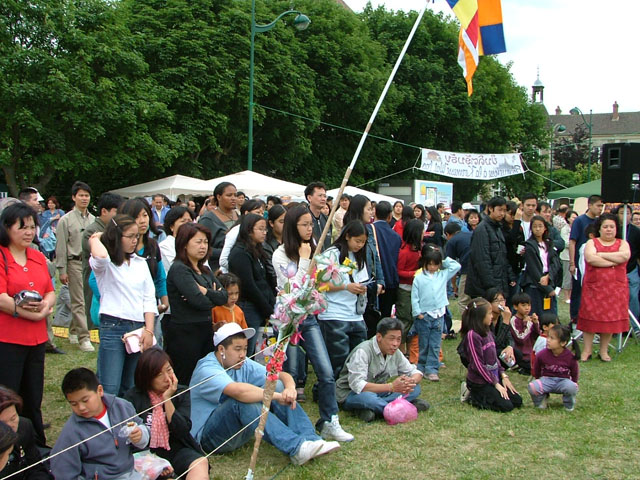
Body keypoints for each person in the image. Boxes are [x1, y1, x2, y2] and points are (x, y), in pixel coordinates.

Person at [190, 323, 340, 466]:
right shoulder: (207, 368)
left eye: (245, 349)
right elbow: (239, 392)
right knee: (240, 402)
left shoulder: (242, 362)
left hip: (238, 431)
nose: (242, 355)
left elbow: (280, 375)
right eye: (237, 349)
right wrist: (278, 397)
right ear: (221, 349)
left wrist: (290, 388)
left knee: (277, 385)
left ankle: (311, 439)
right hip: (210, 439)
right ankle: (297, 448)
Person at [272, 206, 354, 443]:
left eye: (311, 224)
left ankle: (329, 421)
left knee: (326, 372)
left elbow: (318, 282)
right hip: (288, 320)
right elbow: (294, 288)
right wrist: (306, 259)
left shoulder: (313, 246)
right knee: (288, 374)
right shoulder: (280, 254)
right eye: (305, 225)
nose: (310, 229)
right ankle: (288, 423)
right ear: (293, 227)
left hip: (308, 317)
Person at [0, 203, 55, 447]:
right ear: (6, 228)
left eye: (32, 227)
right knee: (9, 396)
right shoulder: (2, 255)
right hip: (8, 338)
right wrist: (29, 314)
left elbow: (50, 291)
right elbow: (1, 298)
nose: (29, 232)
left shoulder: (37, 256)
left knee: (33, 395)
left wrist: (45, 306)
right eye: (22, 227)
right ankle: (8, 446)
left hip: (37, 338)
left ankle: (36, 446)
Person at [89, 214, 158, 396]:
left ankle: (126, 414)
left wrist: (149, 330)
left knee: (131, 385)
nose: (135, 241)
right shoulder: (106, 264)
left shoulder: (140, 263)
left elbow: (149, 298)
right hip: (113, 326)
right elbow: (101, 256)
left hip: (137, 328)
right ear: (117, 236)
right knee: (110, 385)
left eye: (137, 236)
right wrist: (96, 238)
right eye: (130, 236)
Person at [124, 348, 209, 480]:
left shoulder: (181, 392)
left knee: (200, 463)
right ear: (147, 378)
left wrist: (167, 399)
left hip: (175, 449)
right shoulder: (133, 397)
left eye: (169, 370)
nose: (167, 378)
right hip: (146, 454)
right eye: (159, 375)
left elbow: (182, 430)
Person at [51, 368, 150, 479]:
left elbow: (142, 429)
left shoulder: (122, 407)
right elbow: (63, 470)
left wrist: (140, 435)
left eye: (85, 400)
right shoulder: (72, 431)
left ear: (100, 391)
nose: (81, 407)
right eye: (74, 404)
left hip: (130, 473)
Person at [165, 223, 227, 384]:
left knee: (206, 376)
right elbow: (199, 301)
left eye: (205, 242)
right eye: (198, 242)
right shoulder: (179, 269)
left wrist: (205, 291)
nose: (203, 246)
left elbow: (224, 297)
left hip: (205, 330)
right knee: (187, 379)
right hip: (185, 333)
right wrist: (211, 295)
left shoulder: (204, 270)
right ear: (184, 244)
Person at [336, 317, 428, 422]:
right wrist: (391, 387)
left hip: (379, 392)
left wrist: (410, 381)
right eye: (391, 339)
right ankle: (401, 407)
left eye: (398, 339)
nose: (395, 344)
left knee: (415, 388)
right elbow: (357, 385)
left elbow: (414, 372)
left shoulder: (395, 352)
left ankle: (376, 409)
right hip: (352, 393)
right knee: (368, 399)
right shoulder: (363, 351)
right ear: (379, 337)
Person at [317, 221, 370, 379]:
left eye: (363, 242)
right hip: (334, 314)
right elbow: (319, 284)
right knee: (337, 362)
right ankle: (330, 389)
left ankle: (351, 388)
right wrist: (345, 287)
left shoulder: (359, 256)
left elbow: (362, 279)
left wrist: (362, 288)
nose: (360, 245)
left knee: (358, 359)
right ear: (347, 236)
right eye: (357, 241)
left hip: (355, 315)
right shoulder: (331, 254)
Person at [577, 212, 630, 362]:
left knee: (610, 319)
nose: (609, 229)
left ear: (616, 228)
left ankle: (603, 351)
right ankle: (587, 350)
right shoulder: (592, 243)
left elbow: (625, 256)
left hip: (615, 289)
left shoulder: (623, 243)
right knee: (590, 317)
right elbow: (591, 258)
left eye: (612, 227)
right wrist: (614, 261)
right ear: (599, 228)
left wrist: (601, 255)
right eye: (605, 226)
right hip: (594, 288)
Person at [460, 298, 522, 412]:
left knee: (517, 401)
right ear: (480, 317)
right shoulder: (472, 335)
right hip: (480, 382)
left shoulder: (488, 331)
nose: (492, 316)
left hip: (493, 377)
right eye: (489, 314)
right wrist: (496, 384)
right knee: (506, 406)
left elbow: (494, 357)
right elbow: (477, 365)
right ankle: (472, 396)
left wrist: (503, 376)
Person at [228, 214, 276, 358]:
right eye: (260, 229)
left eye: (265, 229)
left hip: (260, 305)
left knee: (259, 350)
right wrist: (267, 309)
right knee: (246, 350)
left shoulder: (257, 251)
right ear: (249, 230)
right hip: (249, 306)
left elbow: (264, 280)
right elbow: (249, 285)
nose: (264, 232)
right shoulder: (240, 253)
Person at [55, 181, 95, 352]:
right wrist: (62, 270)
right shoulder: (66, 220)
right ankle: (84, 338)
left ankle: (73, 329)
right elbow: (61, 246)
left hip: (90, 263)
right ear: (74, 197)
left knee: (87, 299)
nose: (84, 198)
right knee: (78, 300)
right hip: (74, 262)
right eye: (81, 195)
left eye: (87, 195)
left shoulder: (93, 220)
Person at [411, 244, 460, 381]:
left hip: (438, 315)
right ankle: (421, 367)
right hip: (424, 315)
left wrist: (443, 260)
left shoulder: (442, 275)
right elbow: (414, 296)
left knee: (435, 343)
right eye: (430, 264)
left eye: (435, 264)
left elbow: (456, 266)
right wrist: (417, 312)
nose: (432, 267)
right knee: (424, 343)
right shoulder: (419, 278)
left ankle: (432, 369)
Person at [119, 199, 170, 325]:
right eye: (136, 217)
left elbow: (160, 277)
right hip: (122, 312)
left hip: (149, 308)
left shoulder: (152, 245)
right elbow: (94, 280)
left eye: (145, 215)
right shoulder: (118, 247)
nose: (142, 221)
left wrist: (165, 303)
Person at [343, 195, 385, 338]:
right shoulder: (349, 232)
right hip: (356, 288)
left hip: (371, 285)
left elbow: (376, 257)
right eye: (368, 209)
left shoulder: (370, 230)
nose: (371, 212)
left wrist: (380, 281)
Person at [81, 193, 124, 334]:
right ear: (104, 211)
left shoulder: (115, 229)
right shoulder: (91, 231)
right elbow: (100, 255)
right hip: (94, 276)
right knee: (94, 307)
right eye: (116, 212)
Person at [466, 196, 515, 299]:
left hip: (498, 281)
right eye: (499, 210)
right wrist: (491, 286)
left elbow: (502, 256)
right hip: (484, 286)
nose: (502, 213)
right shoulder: (482, 229)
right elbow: (482, 260)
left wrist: (510, 275)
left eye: (504, 211)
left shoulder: (498, 228)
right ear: (490, 209)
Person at [0, 386, 51, 479]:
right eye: (3, 423)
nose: (10, 426)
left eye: (13, 418)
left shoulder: (24, 427)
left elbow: (35, 467)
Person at [528, 324, 579, 411]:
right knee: (533, 386)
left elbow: (574, 372)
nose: (548, 340)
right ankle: (541, 402)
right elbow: (536, 369)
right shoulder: (542, 354)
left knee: (572, 387)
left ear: (563, 343)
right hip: (546, 380)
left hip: (563, 381)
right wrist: (539, 379)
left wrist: (574, 382)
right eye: (548, 337)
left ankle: (569, 404)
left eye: (552, 338)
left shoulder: (570, 357)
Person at [569, 195, 604, 322]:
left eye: (602, 206)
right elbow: (572, 242)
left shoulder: (600, 222)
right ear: (590, 205)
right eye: (598, 205)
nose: (600, 208)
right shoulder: (579, 221)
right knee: (578, 291)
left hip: (595, 262)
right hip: (580, 261)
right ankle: (575, 319)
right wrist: (572, 263)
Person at [521, 215, 562, 317]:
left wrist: (549, 276)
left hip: (548, 278)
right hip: (535, 283)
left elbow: (555, 262)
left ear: (545, 228)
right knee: (535, 314)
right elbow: (533, 269)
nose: (538, 229)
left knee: (549, 314)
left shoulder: (549, 243)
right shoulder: (529, 245)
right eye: (535, 226)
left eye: (540, 226)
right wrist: (547, 288)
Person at [396, 219, 424, 359]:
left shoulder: (418, 250)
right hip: (405, 289)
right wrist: (413, 274)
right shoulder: (404, 252)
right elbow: (398, 271)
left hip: (416, 289)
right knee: (405, 319)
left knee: (413, 319)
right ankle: (401, 351)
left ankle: (410, 350)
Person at [218, 199, 266, 274]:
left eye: (262, 213)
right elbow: (223, 260)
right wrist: (242, 267)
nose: (261, 216)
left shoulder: (258, 232)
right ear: (247, 213)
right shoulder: (235, 231)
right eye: (257, 212)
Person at [198, 182, 238, 270]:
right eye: (229, 195)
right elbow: (201, 245)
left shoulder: (239, 215)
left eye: (235, 195)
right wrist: (226, 252)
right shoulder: (208, 219)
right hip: (217, 267)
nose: (233, 198)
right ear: (219, 197)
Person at [372, 201, 401, 318]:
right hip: (390, 280)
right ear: (390, 216)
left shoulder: (369, 231)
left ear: (375, 213)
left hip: (372, 281)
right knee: (385, 317)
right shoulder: (396, 237)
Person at [508, 292, 539, 374]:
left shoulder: (529, 320)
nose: (527, 308)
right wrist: (527, 324)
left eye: (529, 305)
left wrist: (536, 323)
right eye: (523, 305)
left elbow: (537, 336)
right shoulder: (513, 320)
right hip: (521, 356)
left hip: (531, 354)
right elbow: (520, 338)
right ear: (515, 307)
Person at [444, 222, 472, 311]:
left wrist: (454, 285)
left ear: (447, 234)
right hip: (482, 269)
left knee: (463, 301)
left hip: (467, 271)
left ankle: (467, 320)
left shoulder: (452, 241)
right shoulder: (470, 234)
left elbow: (451, 266)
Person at [159, 205, 195, 274]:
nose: (187, 225)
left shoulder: (196, 244)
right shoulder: (164, 246)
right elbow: (178, 270)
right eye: (183, 221)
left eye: (190, 221)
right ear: (171, 226)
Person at [305, 181, 332, 251]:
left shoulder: (327, 220)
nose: (323, 199)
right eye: (320, 196)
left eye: (325, 196)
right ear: (309, 198)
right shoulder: (303, 219)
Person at [560, 210, 578, 303]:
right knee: (567, 277)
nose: (575, 219)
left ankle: (570, 296)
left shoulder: (576, 228)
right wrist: (574, 243)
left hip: (574, 256)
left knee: (572, 278)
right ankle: (566, 296)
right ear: (568, 218)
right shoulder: (565, 229)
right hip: (566, 256)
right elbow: (566, 243)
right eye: (573, 217)